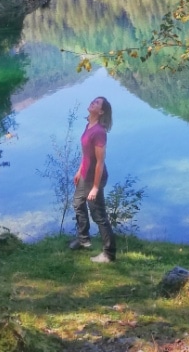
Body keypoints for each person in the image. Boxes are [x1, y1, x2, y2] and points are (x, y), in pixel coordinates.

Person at [69, 96, 116, 263]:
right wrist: (78, 171)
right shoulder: (89, 125)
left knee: (99, 215)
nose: (93, 102)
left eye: (97, 103)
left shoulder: (99, 132)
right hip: (85, 175)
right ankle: (84, 239)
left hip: (95, 178)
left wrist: (95, 187)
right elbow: (86, 155)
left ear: (101, 111)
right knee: (77, 203)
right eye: (94, 100)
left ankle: (109, 254)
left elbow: (99, 163)